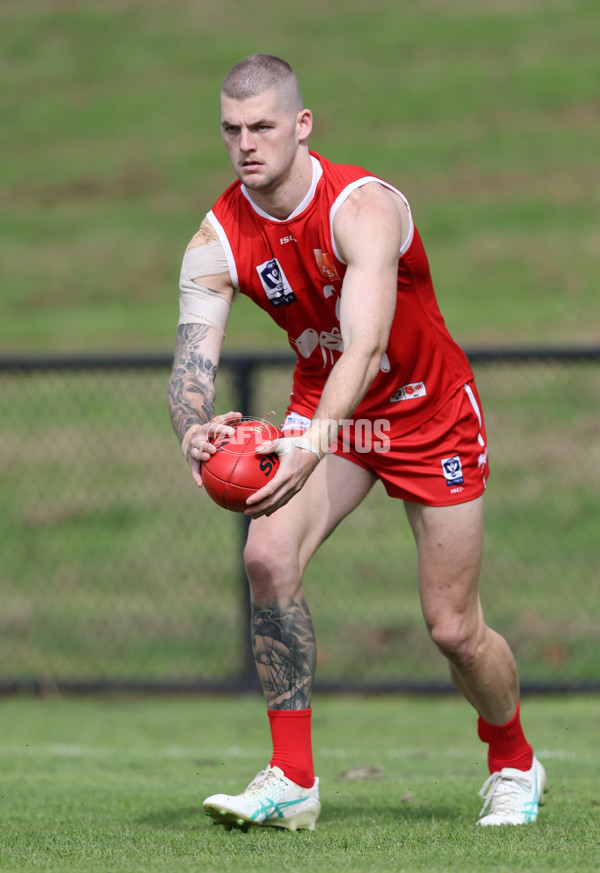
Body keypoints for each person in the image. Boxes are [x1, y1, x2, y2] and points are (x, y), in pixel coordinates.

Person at [167, 53, 547, 831]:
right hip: (328, 411)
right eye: (232, 130)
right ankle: (292, 778)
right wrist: (195, 424)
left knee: (453, 626)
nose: (247, 144)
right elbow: (191, 365)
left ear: (302, 126)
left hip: (426, 409)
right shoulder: (216, 237)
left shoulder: (362, 206)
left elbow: (367, 343)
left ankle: (514, 759)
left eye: (263, 126)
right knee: (267, 557)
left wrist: (308, 446)